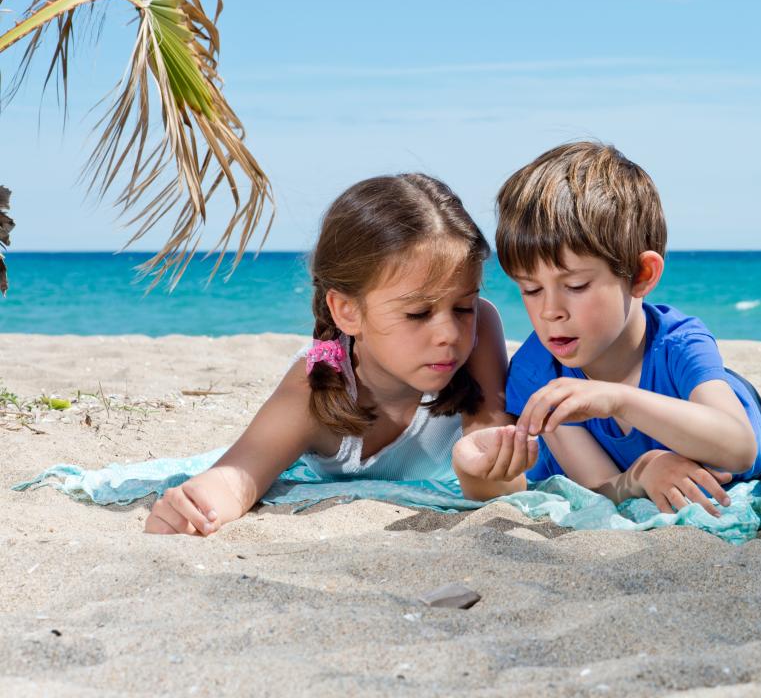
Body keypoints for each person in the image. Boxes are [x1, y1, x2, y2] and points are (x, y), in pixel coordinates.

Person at [454, 142, 761, 515]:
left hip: (724, 421)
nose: (550, 312)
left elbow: (739, 448)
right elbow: (598, 484)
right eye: (531, 289)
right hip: (657, 443)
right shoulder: (538, 372)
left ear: (642, 275)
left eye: (575, 286)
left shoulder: (679, 343)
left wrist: (617, 399)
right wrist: (641, 472)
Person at [145, 173, 535, 535]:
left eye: (463, 307)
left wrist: (480, 470)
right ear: (347, 311)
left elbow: (501, 486)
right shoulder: (314, 383)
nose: (450, 333)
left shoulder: (480, 329)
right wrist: (196, 506)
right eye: (418, 313)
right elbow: (239, 475)